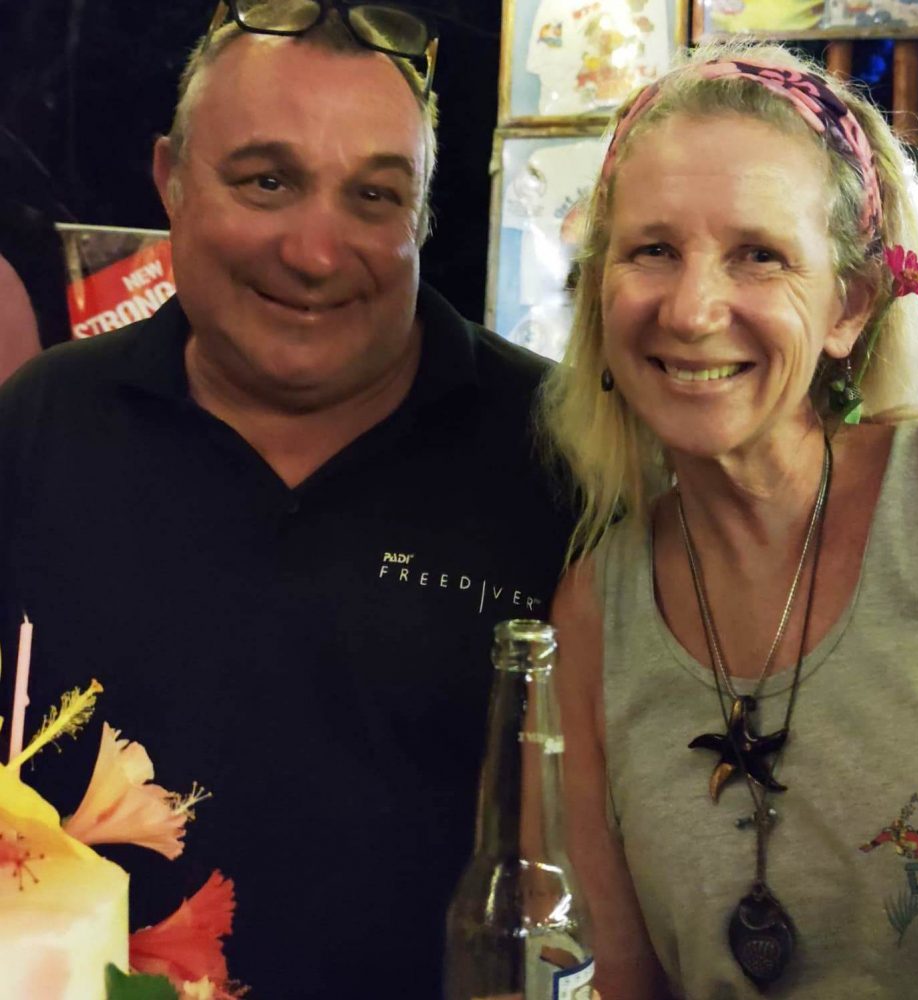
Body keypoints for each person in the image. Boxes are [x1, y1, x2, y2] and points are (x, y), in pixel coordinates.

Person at [0, 3, 573, 996]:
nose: (315, 252)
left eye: (374, 196)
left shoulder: (558, 455)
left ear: (423, 219)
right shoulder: (41, 427)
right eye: (267, 181)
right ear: (171, 179)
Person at [542, 40, 918, 999]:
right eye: (653, 250)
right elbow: (614, 979)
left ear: (849, 306)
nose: (692, 309)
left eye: (759, 255)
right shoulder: (594, 611)